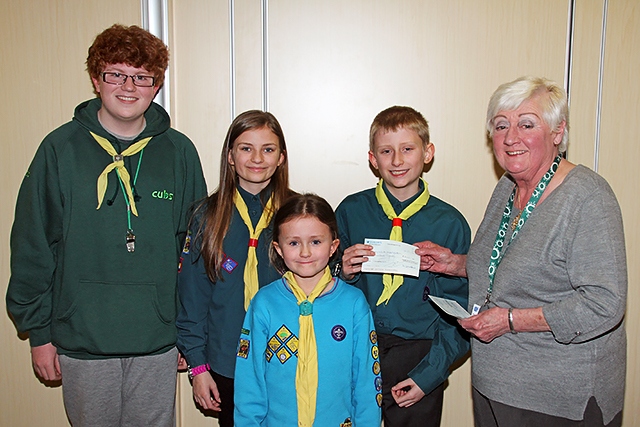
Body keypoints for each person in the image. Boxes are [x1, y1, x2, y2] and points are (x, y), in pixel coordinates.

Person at [5, 24, 207, 426]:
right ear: (97, 79)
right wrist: (38, 334)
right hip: (82, 339)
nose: (128, 86)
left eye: (142, 77)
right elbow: (33, 244)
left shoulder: (179, 152)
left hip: (157, 339)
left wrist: (190, 335)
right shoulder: (59, 149)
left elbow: (195, 251)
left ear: (156, 85)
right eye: (116, 74)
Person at [417, 76, 627, 427]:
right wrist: (456, 264)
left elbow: (604, 304)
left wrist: (510, 320)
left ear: (558, 132)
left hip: (557, 399)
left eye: (526, 124)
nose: (511, 138)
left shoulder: (588, 198)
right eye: (501, 126)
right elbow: (513, 265)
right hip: (493, 385)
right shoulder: (507, 187)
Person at [335, 106, 471, 427]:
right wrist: (344, 272)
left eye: (407, 149)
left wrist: (430, 375)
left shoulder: (450, 223)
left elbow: (461, 310)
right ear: (373, 158)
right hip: (355, 348)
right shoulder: (350, 212)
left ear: (428, 153)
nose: (397, 160)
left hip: (419, 354)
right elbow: (319, 287)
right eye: (386, 151)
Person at [176, 110, 295, 426]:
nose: (257, 158)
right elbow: (193, 298)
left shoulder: (300, 214)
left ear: (281, 157)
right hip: (228, 361)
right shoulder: (206, 216)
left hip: (293, 358)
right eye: (246, 148)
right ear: (230, 156)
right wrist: (198, 367)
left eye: (268, 149)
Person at [234, 193, 382, 426]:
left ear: (333, 246)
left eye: (316, 242)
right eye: (293, 243)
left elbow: (366, 381)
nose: (304, 252)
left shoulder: (353, 304)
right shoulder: (264, 303)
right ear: (279, 248)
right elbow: (249, 381)